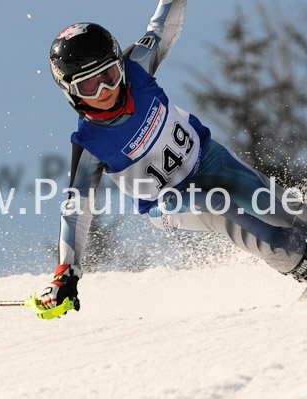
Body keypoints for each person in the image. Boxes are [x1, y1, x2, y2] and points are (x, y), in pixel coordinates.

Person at [39, 0, 307, 311]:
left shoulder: (136, 66)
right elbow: (76, 211)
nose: (104, 92)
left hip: (208, 158)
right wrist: (65, 273)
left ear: (119, 65)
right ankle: (297, 262)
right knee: (216, 204)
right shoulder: (89, 143)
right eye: (88, 86)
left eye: (110, 75)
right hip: (167, 202)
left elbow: (163, 28)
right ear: (70, 92)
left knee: (285, 208)